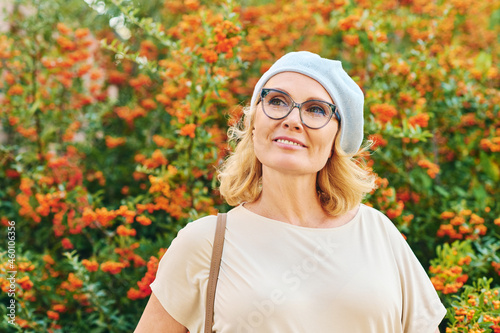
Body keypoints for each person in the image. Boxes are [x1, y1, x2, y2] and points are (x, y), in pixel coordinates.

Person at [135, 51, 447, 332]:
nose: (291, 119)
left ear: (338, 139)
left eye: (316, 109)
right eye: (277, 101)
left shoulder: (377, 232)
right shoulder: (205, 243)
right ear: (255, 122)